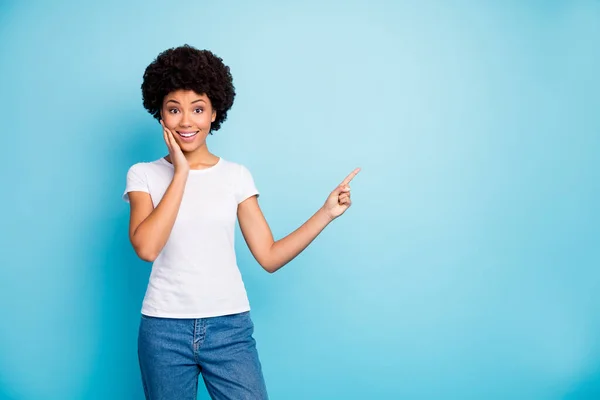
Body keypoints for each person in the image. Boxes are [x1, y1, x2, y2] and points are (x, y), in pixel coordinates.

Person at [122, 44, 360, 400]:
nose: (186, 121)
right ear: (160, 114)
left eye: (198, 109)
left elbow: (269, 256)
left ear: (215, 112)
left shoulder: (235, 176)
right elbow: (147, 247)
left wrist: (326, 212)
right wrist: (181, 173)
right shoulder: (143, 175)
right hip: (163, 330)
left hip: (229, 327)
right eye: (174, 109)